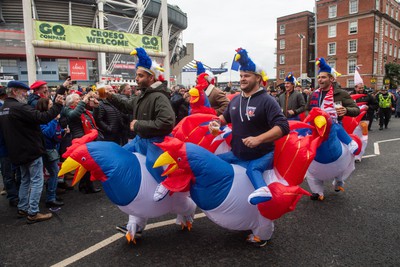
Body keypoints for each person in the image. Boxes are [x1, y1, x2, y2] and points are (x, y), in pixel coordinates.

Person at [207, 48, 289, 208]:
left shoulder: (267, 100)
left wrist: (258, 139)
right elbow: (224, 118)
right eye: (241, 76)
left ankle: (263, 198)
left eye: (247, 76)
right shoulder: (236, 100)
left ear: (258, 78)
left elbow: (283, 126)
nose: (242, 79)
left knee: (253, 169)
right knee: (212, 162)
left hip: (261, 155)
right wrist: (216, 123)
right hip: (237, 154)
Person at [105, 47, 175, 193]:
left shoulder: (159, 97)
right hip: (141, 139)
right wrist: (110, 96)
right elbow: (127, 105)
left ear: (151, 77)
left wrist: (138, 124)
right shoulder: (142, 95)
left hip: (157, 141)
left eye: (141, 76)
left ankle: (167, 185)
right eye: (137, 75)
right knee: (120, 153)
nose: (136, 78)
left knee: (152, 163)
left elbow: (167, 122)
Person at [0, 81, 64, 224]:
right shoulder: (19, 107)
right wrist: (58, 106)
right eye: (24, 91)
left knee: (25, 180)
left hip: (17, 151)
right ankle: (33, 212)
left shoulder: (4, 108)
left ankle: (23, 207)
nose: (26, 94)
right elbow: (42, 118)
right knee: (36, 181)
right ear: (15, 91)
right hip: (29, 149)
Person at [61, 92, 102, 193]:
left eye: (80, 99)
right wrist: (84, 100)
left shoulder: (83, 110)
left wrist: (96, 107)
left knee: (88, 163)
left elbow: (94, 118)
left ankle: (85, 185)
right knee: (85, 163)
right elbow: (74, 115)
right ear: (71, 102)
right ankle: (86, 186)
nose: (80, 101)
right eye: (77, 99)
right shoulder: (68, 110)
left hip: (87, 138)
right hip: (79, 139)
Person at [306, 58, 360, 122]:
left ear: (331, 79)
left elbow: (357, 110)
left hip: (334, 127)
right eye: (319, 77)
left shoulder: (341, 93)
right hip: (316, 127)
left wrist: (346, 110)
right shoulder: (314, 93)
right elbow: (307, 109)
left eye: (323, 77)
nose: (320, 80)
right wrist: (310, 117)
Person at [36, 97, 65, 208]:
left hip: (53, 147)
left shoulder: (49, 117)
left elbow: (55, 132)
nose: (52, 106)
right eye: (50, 104)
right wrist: (54, 120)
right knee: (54, 173)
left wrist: (62, 131)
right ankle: (50, 198)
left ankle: (51, 195)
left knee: (54, 172)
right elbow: (47, 133)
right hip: (47, 149)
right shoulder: (42, 119)